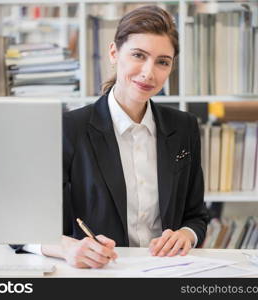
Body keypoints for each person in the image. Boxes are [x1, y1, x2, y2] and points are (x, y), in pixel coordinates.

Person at [13, 5, 209, 269]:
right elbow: (19, 224)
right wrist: (68, 248)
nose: (149, 73)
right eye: (138, 55)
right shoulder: (69, 128)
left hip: (166, 271)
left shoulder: (184, 127)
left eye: (163, 62)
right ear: (114, 53)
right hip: (98, 273)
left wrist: (187, 235)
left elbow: (196, 216)